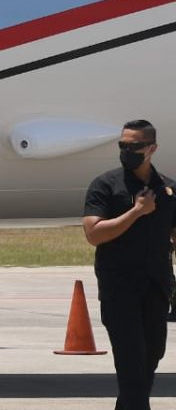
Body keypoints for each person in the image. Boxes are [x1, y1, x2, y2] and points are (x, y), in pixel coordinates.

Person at [82, 119, 176, 410]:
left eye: (134, 146)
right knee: (131, 362)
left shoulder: (169, 189)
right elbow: (93, 234)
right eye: (123, 145)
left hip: (156, 287)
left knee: (152, 356)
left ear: (152, 148)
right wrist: (136, 212)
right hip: (119, 289)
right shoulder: (106, 185)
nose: (126, 150)